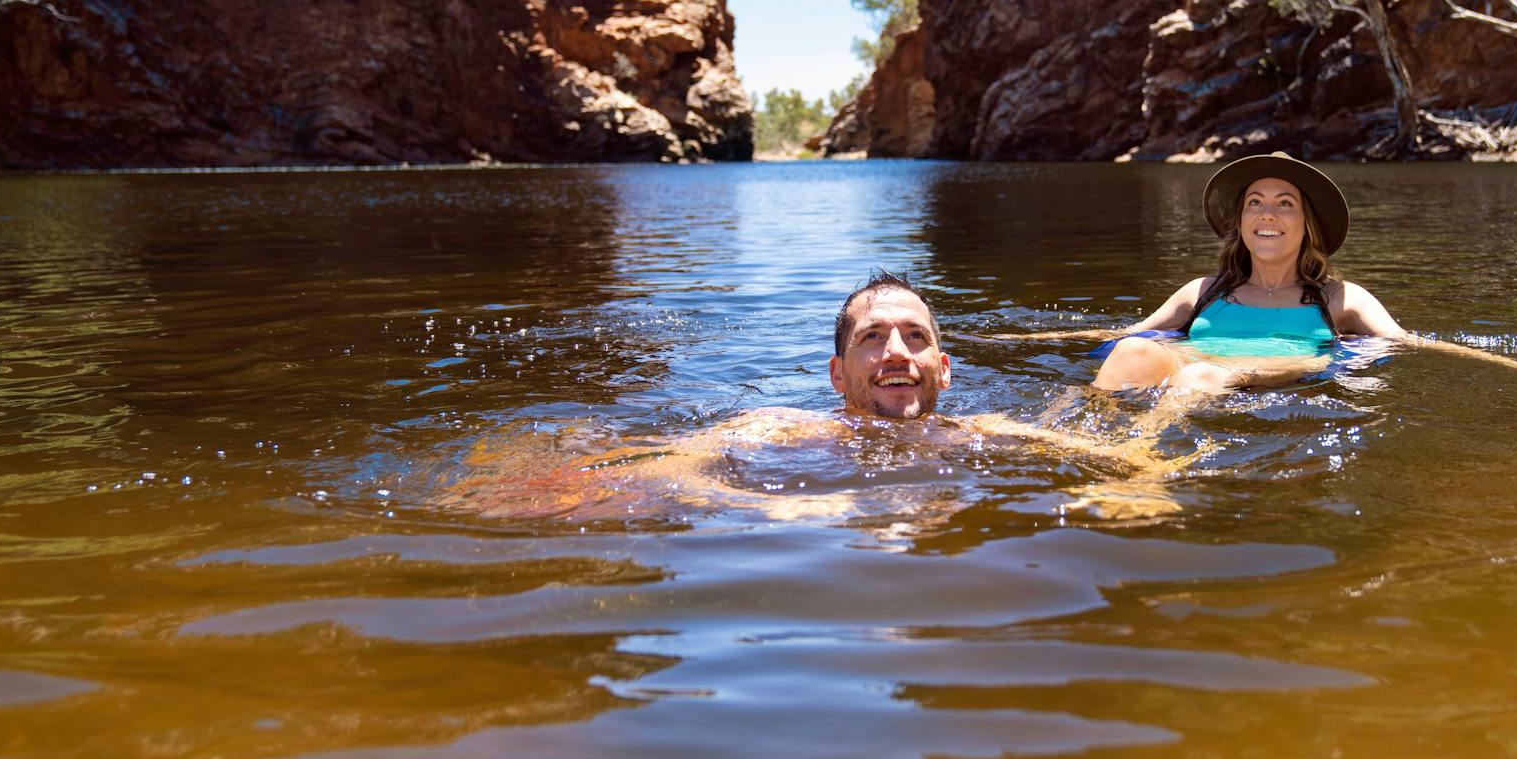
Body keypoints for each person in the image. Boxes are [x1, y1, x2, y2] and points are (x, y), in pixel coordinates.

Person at [444, 271, 1201, 523]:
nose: (895, 353)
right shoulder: (779, 430)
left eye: (912, 338)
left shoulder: (989, 430)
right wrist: (773, 507)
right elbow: (669, 467)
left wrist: (1143, 485)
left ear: (946, 367)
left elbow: (1123, 456)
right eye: (872, 339)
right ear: (838, 376)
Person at [1012, 152, 1517, 391]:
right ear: (1240, 222)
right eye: (1255, 203)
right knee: (1128, 358)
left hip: (1272, 381)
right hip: (1196, 377)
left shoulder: (1339, 299)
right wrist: (1012, 341)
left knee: (1199, 379)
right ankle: (1076, 445)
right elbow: (1124, 333)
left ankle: (1147, 472)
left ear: (1306, 224)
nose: (1268, 214)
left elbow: (1410, 344)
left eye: (1284, 202)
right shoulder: (1203, 291)